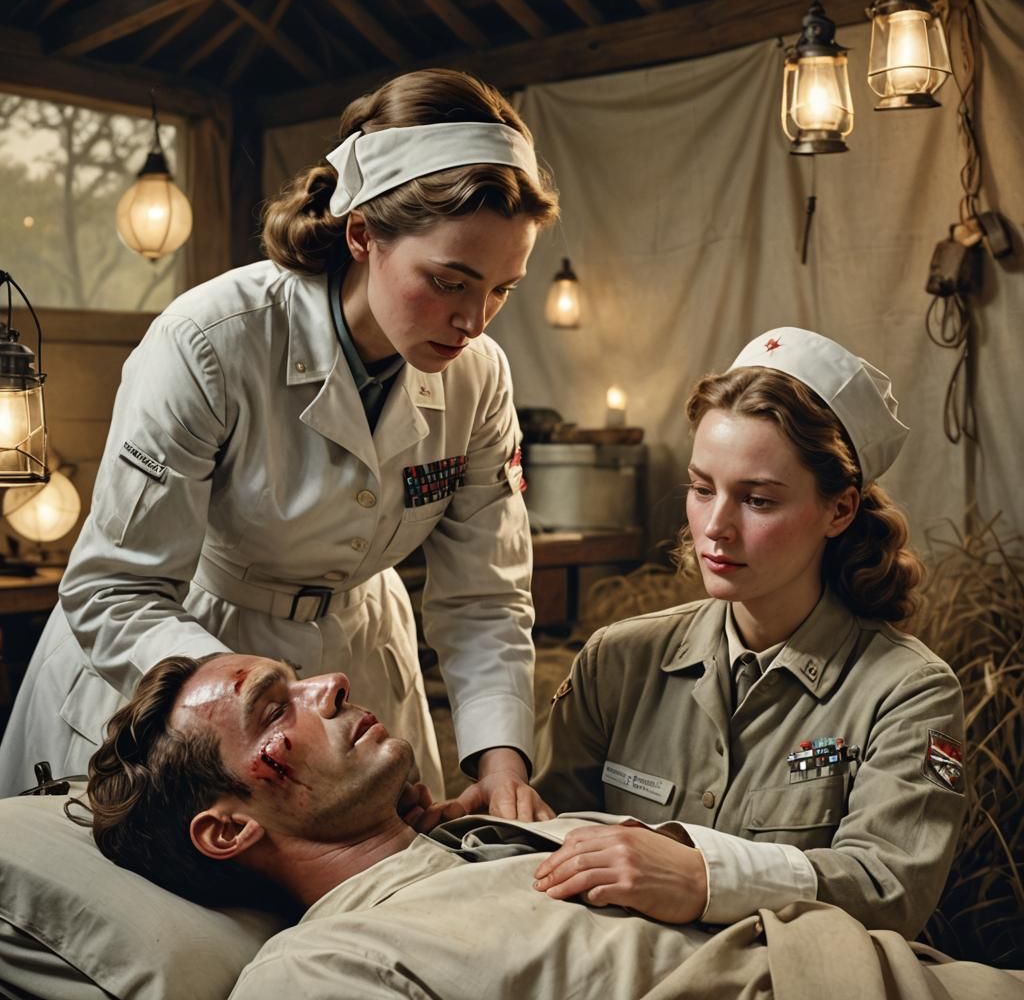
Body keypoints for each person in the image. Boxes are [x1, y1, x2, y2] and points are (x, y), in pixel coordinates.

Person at [0, 68, 558, 818]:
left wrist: (501, 764)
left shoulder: (479, 376)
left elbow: (486, 596)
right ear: (362, 234)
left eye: (501, 288)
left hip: (359, 653)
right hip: (186, 658)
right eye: (449, 281)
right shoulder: (209, 343)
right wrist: (267, 706)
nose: (474, 321)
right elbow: (113, 591)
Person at [74, 652, 1011, 1000]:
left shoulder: (503, 835)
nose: (333, 683)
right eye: (276, 707)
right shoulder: (322, 969)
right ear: (227, 831)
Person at [532, 327, 967, 939]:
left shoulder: (909, 693)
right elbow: (542, 842)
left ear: (840, 510)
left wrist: (705, 878)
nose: (716, 526)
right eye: (701, 489)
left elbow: (888, 889)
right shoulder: (617, 661)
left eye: (757, 500)